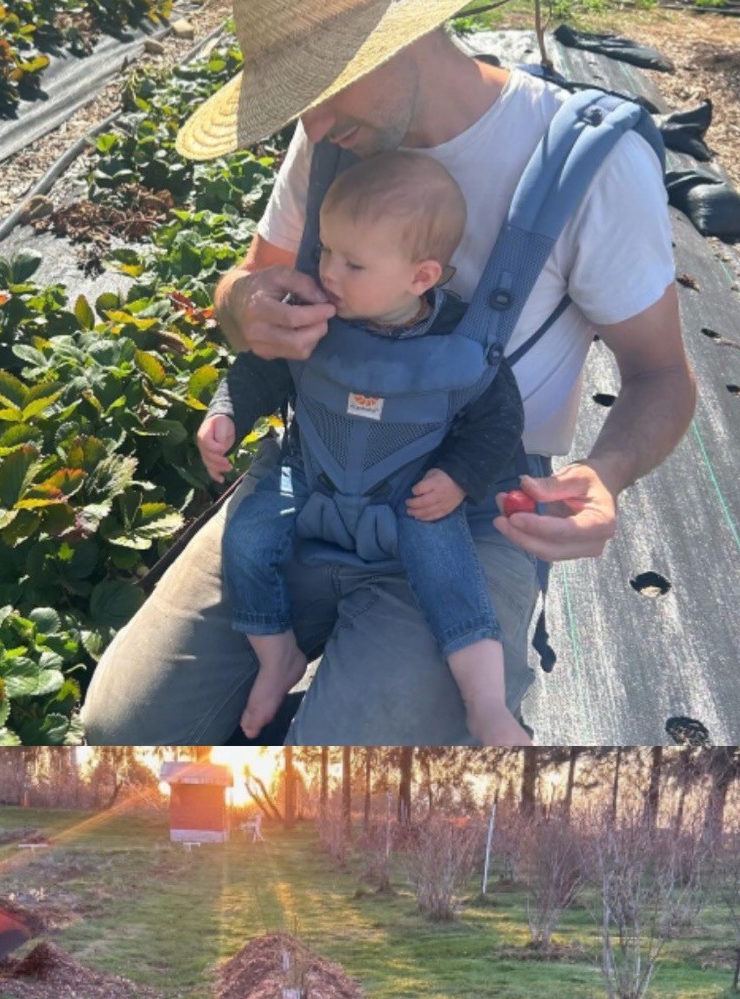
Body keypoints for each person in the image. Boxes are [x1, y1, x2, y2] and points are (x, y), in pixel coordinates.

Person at [81, 0, 694, 746]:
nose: (312, 123)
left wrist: (608, 473)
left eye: (324, 87)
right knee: (122, 727)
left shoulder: (587, 166)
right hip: (315, 469)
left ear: (409, 31)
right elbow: (249, 286)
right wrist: (239, 310)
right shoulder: (335, 135)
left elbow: (662, 376)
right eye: (296, 99)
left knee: (349, 769)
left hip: (464, 498)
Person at [202, 150, 529, 746]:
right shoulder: (313, 311)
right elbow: (263, 369)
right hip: (312, 467)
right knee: (248, 534)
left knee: (446, 561)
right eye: (325, 249)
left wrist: (457, 477)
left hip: (411, 484)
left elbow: (499, 422)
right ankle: (276, 654)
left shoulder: (462, 339)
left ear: (421, 277)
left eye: (353, 263)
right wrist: (227, 411)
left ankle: (485, 702)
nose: (328, 272)